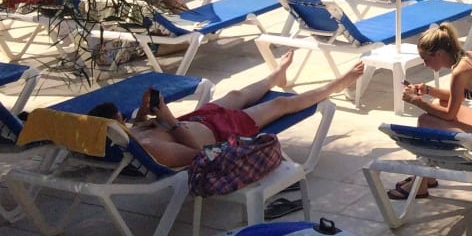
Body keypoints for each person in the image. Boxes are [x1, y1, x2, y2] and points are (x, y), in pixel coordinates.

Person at [87, 51, 363, 169]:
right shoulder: (150, 148)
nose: (126, 121)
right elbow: (198, 155)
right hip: (223, 130)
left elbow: (144, 129)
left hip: (199, 118)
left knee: (236, 94)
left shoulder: (128, 136)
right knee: (281, 104)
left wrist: (144, 114)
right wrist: (170, 121)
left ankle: (275, 76)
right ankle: (335, 86)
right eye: (123, 120)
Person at [391, 23, 472, 199]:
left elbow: (449, 114)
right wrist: (427, 90)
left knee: (426, 121)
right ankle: (426, 176)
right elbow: (456, 96)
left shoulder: (460, 72)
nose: (425, 65)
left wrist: (416, 101)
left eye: (426, 59)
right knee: (438, 103)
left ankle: (421, 181)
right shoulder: (469, 57)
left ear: (440, 54)